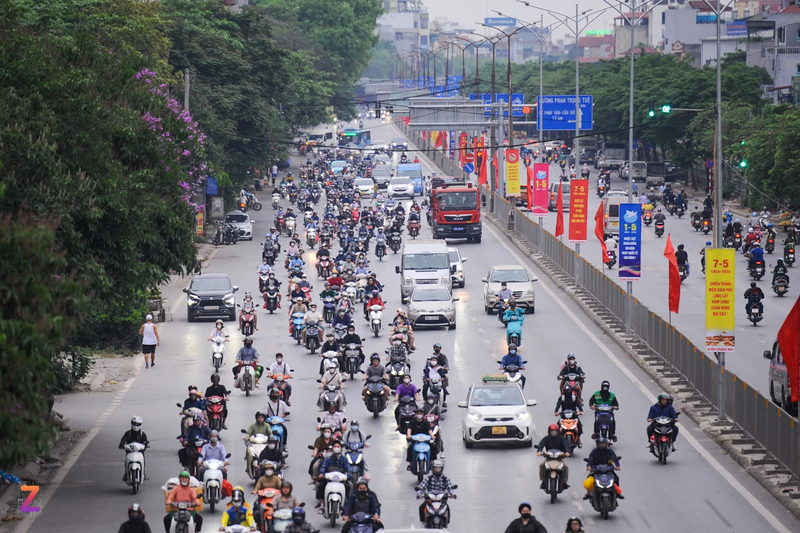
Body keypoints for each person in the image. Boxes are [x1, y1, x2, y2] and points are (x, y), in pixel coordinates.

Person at [536, 424, 571, 491]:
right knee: (541, 465)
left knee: (566, 466)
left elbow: (566, 445)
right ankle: (543, 481)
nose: (553, 433)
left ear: (558, 432)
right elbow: (541, 444)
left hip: (560, 458)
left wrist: (567, 452)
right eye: (552, 432)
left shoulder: (561, 438)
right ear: (549, 432)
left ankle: (564, 482)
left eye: (555, 432)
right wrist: (539, 451)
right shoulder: (546, 438)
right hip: (549, 458)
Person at [316, 442, 350, 509]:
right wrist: (321, 473)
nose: (336, 448)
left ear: (341, 448)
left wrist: (349, 475)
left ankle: (347, 504)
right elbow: (323, 467)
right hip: (329, 478)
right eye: (335, 446)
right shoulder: (328, 459)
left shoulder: (344, 459)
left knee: (349, 487)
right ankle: (322, 504)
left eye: (338, 446)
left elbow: (348, 468)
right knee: (320, 486)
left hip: (341, 479)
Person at [119, 416, 149, 482]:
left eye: (138, 424)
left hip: (139, 452)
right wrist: (122, 445)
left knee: (143, 460)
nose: (136, 426)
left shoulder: (142, 434)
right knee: (126, 461)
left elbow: (145, 442)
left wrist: (145, 445)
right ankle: (126, 473)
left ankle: (143, 472)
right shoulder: (128, 433)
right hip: (130, 452)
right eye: (135, 424)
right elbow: (123, 440)